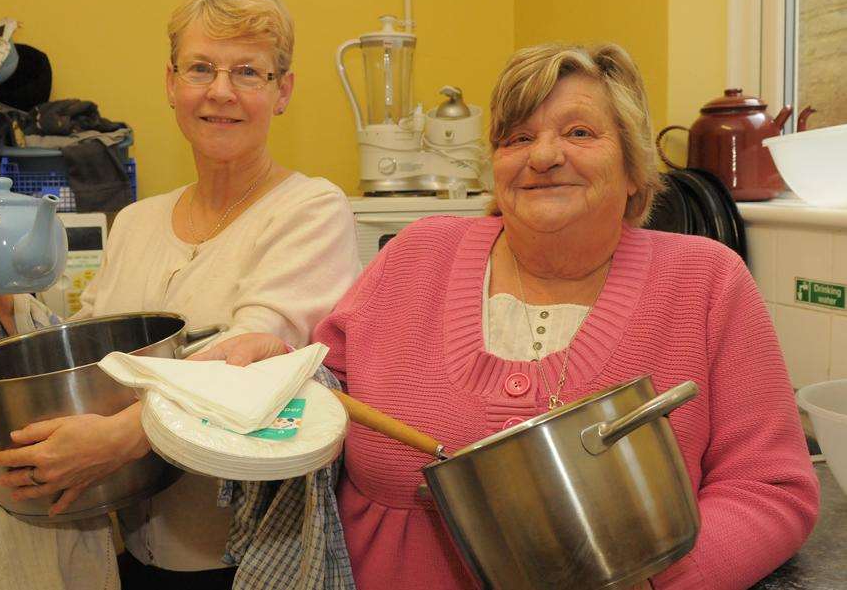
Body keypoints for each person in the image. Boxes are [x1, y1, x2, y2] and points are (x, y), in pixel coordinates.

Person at [203, 43, 820, 590]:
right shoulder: (417, 256)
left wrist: (661, 581)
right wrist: (275, 371)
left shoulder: (705, 282)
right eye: (517, 138)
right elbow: (325, 396)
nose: (543, 155)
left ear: (634, 167)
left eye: (579, 133)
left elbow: (769, 489)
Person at [0, 0, 360, 590]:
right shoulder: (135, 222)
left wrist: (119, 439)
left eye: (249, 72)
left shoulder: (311, 209)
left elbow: (256, 363)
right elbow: (87, 363)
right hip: (123, 545)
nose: (221, 92)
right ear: (171, 82)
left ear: (282, 90)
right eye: (201, 68)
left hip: (237, 555)